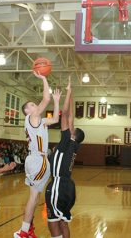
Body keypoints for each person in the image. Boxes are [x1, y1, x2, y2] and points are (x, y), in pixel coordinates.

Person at [14, 71, 61, 238]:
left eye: (35, 104)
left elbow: (55, 119)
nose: (36, 106)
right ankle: (24, 232)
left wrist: (56, 102)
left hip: (39, 160)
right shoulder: (32, 117)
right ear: (27, 110)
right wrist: (43, 78)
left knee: (34, 198)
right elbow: (45, 99)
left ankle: (28, 230)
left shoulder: (38, 121)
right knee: (33, 198)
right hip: (37, 160)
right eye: (33, 104)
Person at [45, 76, 85, 238]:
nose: (70, 127)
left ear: (73, 134)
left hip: (58, 185)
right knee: (63, 221)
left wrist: (67, 94)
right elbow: (71, 118)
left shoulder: (66, 142)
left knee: (52, 221)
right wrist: (71, 91)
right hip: (68, 187)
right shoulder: (74, 145)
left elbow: (65, 115)